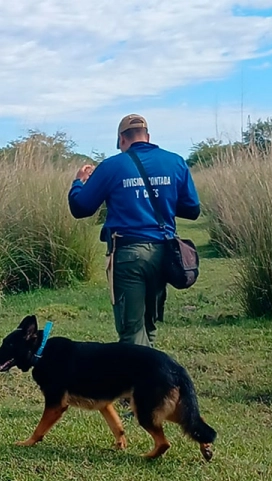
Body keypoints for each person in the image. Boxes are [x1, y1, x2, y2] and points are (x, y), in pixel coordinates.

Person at [67, 114, 200, 347]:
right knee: (149, 324)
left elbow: (81, 208)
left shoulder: (112, 166)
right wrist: (163, 198)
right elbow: (192, 210)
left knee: (132, 331)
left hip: (129, 255)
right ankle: (150, 368)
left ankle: (141, 371)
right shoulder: (175, 162)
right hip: (164, 253)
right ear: (148, 137)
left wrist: (79, 182)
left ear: (121, 139)